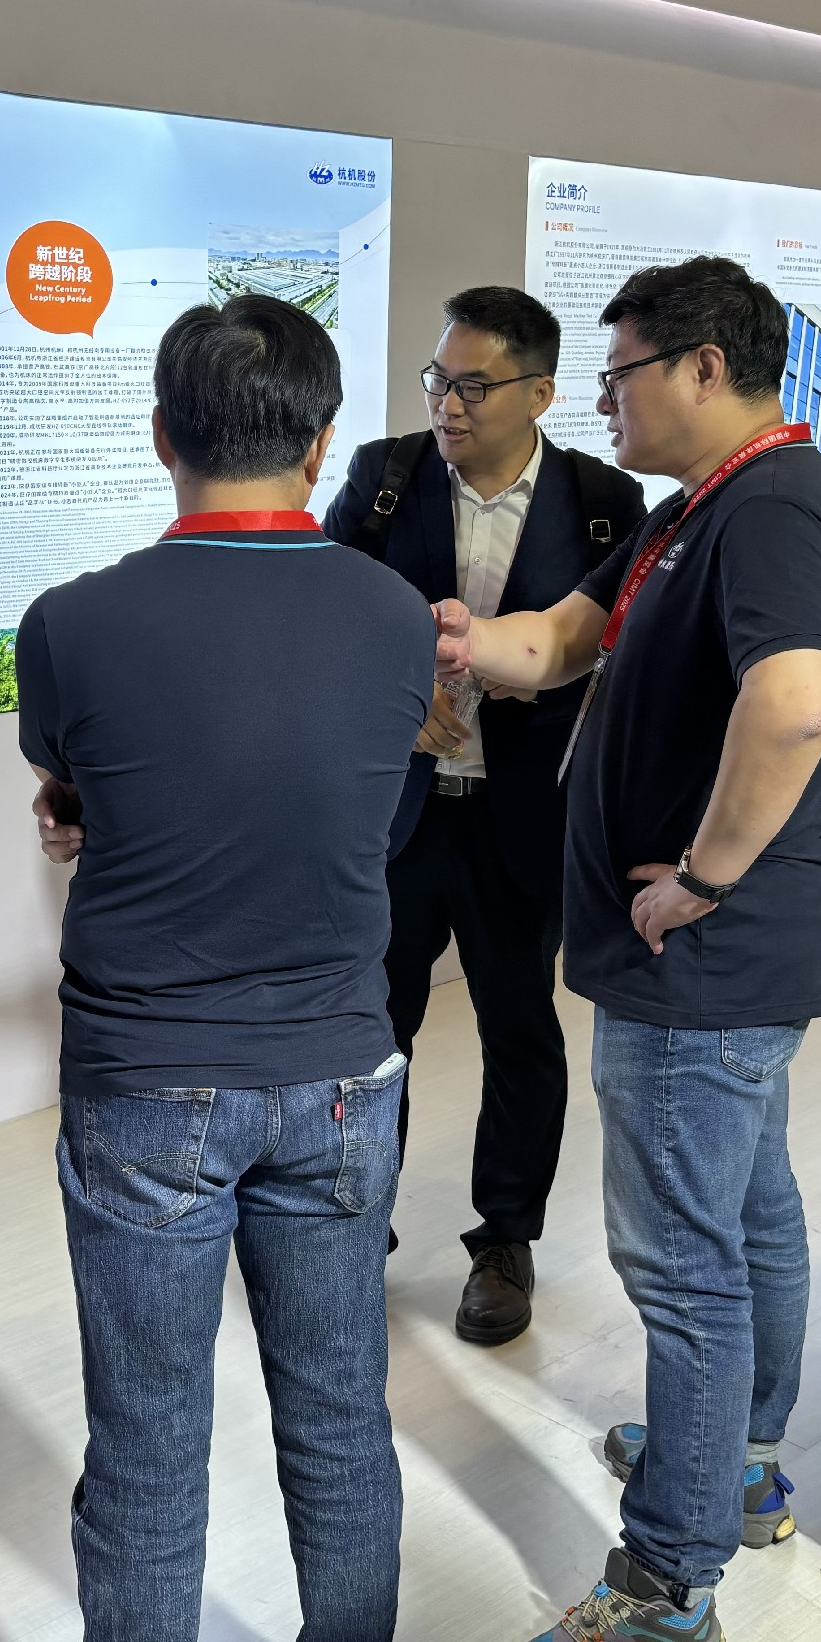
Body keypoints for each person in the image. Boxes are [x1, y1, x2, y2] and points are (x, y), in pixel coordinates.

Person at [9, 296, 434, 1642]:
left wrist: (99, 811)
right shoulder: (394, 615)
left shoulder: (72, 620)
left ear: (162, 436)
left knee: (148, 1438)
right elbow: (355, 802)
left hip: (145, 1084)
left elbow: (83, 779)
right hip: (340, 1076)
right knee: (340, 1415)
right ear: (321, 444)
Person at [434, 256, 821, 1642]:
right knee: (752, 1214)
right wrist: (452, 640)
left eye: (619, 374)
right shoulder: (698, 511)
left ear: (701, 367)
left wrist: (702, 875)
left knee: (685, 1268)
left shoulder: (776, 509)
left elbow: (794, 702)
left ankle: (669, 1584)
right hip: (718, 964)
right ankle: (735, 1465)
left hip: (700, 963)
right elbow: (559, 640)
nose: (604, 401)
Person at [325, 288, 644, 1343]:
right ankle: (353, 1228)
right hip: (399, 815)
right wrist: (393, 701)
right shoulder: (385, 477)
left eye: (473, 385)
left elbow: (615, 653)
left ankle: (505, 1239)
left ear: (540, 392)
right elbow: (321, 612)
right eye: (438, 380)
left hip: (521, 819)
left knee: (518, 1029)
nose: (447, 404)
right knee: (374, 1030)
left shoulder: (602, 500)